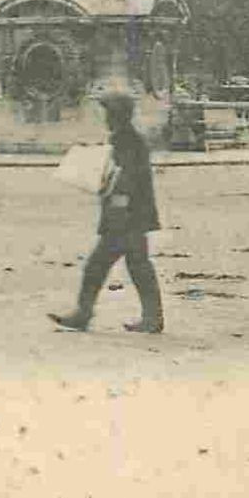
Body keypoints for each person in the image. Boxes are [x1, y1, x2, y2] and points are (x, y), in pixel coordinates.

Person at [50, 91, 164, 334]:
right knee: (133, 265)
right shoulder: (125, 138)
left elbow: (128, 178)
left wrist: (117, 205)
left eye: (108, 113)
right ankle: (149, 317)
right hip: (128, 216)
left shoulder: (128, 141)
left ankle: (85, 314)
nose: (105, 118)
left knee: (104, 266)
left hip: (126, 218)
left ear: (117, 116)